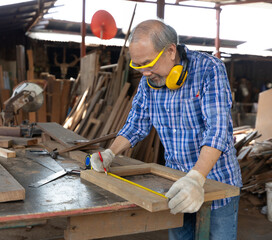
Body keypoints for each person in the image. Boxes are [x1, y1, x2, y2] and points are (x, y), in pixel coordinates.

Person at [90, 19, 242, 240]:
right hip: (174, 181)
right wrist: (110, 153)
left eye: (149, 64)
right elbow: (136, 123)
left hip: (216, 181)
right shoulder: (149, 81)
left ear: (171, 51)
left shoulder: (209, 69)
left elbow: (217, 130)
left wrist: (196, 179)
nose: (145, 73)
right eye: (138, 66)